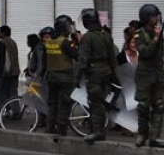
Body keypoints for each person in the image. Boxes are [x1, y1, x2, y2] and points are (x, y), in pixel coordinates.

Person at [75, 8, 118, 144]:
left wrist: (77, 77)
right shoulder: (106, 35)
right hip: (106, 72)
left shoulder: (87, 37)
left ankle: (97, 132)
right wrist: (114, 75)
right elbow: (112, 58)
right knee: (101, 103)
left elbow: (83, 60)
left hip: (94, 74)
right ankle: (100, 130)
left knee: (94, 103)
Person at [134, 4, 164, 148]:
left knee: (159, 106)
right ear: (147, 18)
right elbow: (145, 53)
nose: (157, 19)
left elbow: (160, 55)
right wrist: (155, 38)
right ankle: (142, 135)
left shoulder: (159, 33)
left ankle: (155, 138)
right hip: (144, 75)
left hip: (157, 74)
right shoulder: (139, 34)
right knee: (143, 106)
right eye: (154, 16)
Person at [43, 16, 78, 136]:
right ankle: (62, 129)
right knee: (65, 103)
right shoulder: (66, 42)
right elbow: (77, 55)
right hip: (65, 77)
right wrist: (75, 41)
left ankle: (49, 127)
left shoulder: (49, 42)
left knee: (52, 103)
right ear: (64, 28)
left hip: (51, 77)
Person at [0, 25, 21, 114]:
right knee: (13, 92)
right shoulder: (13, 42)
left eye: (0, 32)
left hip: (8, 73)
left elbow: (5, 60)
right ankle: (16, 111)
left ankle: (5, 111)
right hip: (15, 71)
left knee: (3, 93)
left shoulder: (3, 43)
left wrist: (3, 72)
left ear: (3, 33)